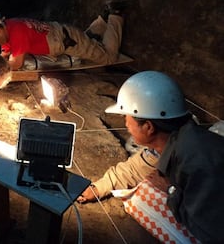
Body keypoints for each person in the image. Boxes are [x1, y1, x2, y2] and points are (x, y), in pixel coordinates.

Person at [78, 70, 224, 243]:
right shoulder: (171, 140)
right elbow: (136, 167)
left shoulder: (197, 162)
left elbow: (209, 231)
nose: (125, 124)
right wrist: (98, 188)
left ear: (148, 127)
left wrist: (170, 190)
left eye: (127, 118)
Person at [0, 0, 127, 70]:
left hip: (66, 39)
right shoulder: (9, 26)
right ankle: (103, 20)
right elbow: (6, 52)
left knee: (108, 57)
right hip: (61, 35)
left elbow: (16, 64)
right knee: (86, 42)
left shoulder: (17, 32)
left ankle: (115, 14)